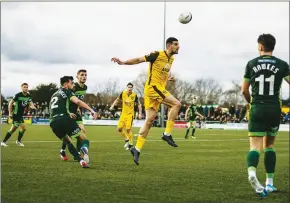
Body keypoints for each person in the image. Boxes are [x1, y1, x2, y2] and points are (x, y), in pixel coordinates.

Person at [111, 37, 181, 165]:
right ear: (169, 45)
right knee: (176, 104)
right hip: (152, 89)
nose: (178, 46)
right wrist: (123, 62)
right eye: (176, 44)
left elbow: (160, 74)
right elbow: (138, 60)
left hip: (155, 91)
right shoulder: (156, 54)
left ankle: (137, 149)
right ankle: (167, 133)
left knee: (149, 121)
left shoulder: (171, 59)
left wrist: (168, 79)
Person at [242, 33, 290, 197]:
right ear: (273, 46)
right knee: (269, 146)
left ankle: (252, 173)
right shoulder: (283, 65)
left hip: (257, 108)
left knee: (255, 147)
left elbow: (244, 90)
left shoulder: (251, 64)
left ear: (260, 46)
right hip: (274, 109)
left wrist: (250, 102)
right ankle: (269, 183)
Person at [49, 76, 97, 168]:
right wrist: (91, 110)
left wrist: (68, 112)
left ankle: (81, 160)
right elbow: (78, 102)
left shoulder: (54, 94)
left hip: (53, 123)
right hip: (65, 119)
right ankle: (84, 148)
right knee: (83, 138)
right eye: (71, 83)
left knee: (68, 142)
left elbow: (53, 109)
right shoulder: (68, 92)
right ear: (66, 84)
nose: (73, 84)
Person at [60, 69, 89, 162]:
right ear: (77, 77)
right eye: (82, 75)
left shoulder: (85, 88)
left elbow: (79, 100)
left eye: (85, 75)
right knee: (68, 134)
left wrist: (78, 108)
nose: (84, 76)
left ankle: (78, 153)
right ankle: (62, 150)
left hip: (76, 113)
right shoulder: (73, 87)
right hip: (69, 113)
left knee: (82, 132)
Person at [1, 83, 36, 147]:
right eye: (24, 87)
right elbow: (10, 103)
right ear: (21, 88)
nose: (26, 88)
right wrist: (10, 113)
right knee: (18, 127)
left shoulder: (28, 96)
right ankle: (6, 141)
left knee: (19, 128)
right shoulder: (18, 95)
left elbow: (31, 103)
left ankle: (15, 141)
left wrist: (33, 107)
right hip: (16, 114)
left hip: (20, 115)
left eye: (27, 87)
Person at [109, 82, 142, 150]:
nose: (129, 88)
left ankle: (131, 144)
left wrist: (140, 113)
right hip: (123, 114)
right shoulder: (123, 93)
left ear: (132, 88)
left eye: (131, 87)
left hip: (130, 115)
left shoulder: (135, 95)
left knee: (128, 129)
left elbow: (139, 105)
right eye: (128, 87)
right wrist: (112, 106)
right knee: (119, 129)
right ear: (126, 87)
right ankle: (126, 139)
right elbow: (117, 99)